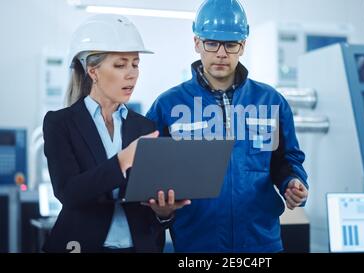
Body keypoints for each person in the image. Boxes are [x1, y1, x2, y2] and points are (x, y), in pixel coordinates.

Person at [146, 0, 308, 253]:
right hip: (197, 244)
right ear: (197, 43)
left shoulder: (270, 101)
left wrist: (293, 181)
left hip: (262, 244)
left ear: (242, 46)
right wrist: (161, 210)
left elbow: (286, 159)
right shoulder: (167, 105)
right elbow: (149, 173)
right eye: (212, 43)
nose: (221, 53)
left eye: (231, 44)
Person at [43, 14, 190, 253]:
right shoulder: (60, 123)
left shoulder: (146, 127)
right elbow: (69, 193)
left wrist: (163, 212)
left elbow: (151, 206)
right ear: (93, 71)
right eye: (120, 65)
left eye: (135, 64)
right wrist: (123, 161)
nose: (131, 74)